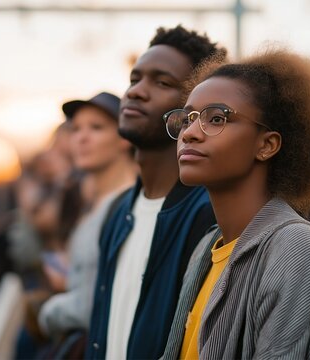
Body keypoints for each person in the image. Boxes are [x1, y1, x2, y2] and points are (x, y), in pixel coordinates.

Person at [160, 49, 310, 359]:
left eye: (216, 118)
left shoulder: (293, 247)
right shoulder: (206, 249)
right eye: (187, 119)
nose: (190, 133)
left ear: (267, 144)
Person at [86, 25, 225, 360]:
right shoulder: (119, 211)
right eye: (135, 79)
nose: (136, 92)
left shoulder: (209, 217)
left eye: (162, 83)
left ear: (194, 108)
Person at [37, 92, 137, 347]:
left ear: (124, 137)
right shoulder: (96, 202)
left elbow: (88, 307)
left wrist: (45, 315)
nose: (81, 137)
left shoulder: (124, 208)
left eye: (96, 127)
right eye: (76, 129)